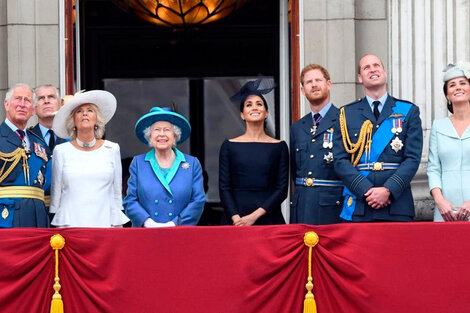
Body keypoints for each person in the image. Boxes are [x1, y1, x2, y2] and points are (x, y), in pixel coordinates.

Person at [333, 54, 423, 222]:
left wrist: (388, 189)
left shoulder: (408, 110)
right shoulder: (346, 114)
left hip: (397, 204)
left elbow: (412, 158)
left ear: (384, 72)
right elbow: (339, 160)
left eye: (376, 65)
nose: (372, 69)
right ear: (360, 78)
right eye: (366, 67)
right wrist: (365, 190)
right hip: (360, 204)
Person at [49, 90, 130, 227]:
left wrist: (118, 225)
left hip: (104, 222)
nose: (85, 113)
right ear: (73, 120)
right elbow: (56, 196)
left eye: (90, 110)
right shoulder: (61, 151)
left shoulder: (112, 149)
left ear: (97, 119)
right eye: (79, 111)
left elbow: (117, 194)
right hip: (71, 224)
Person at [219, 78, 288, 225]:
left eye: (259, 104)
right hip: (235, 220)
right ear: (242, 114)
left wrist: (254, 217)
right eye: (248, 105)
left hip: (269, 218)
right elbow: (224, 188)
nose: (254, 108)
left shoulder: (280, 146)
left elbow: (282, 189)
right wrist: (236, 218)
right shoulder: (229, 146)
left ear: (266, 113)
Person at [124, 107, 205, 227]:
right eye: (157, 130)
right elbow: (130, 201)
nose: (162, 134)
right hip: (146, 233)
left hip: (180, 233)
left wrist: (174, 223)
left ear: (175, 135)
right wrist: (148, 223)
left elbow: (198, 201)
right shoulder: (138, 163)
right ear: (150, 135)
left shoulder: (192, 164)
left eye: (167, 130)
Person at [290, 64, 343, 225]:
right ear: (302, 90)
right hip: (302, 207)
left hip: (332, 207)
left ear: (328, 84)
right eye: (308, 82)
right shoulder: (297, 127)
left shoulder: (344, 120)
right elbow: (295, 171)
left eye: (318, 80)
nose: (314, 84)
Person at [0, 83, 50, 227]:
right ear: (6, 104)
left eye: (27, 100)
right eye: (18, 99)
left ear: (33, 110)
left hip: (38, 218)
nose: (22, 104)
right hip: (7, 216)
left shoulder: (40, 143)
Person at [427, 62, 470, 222]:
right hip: (446, 209)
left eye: (463, 83)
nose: (458, 88)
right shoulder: (438, 126)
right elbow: (433, 168)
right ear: (447, 95)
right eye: (452, 85)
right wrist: (440, 201)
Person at [30, 84, 67, 210]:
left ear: (60, 105)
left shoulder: (72, 138)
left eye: (51, 97)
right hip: (38, 209)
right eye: (41, 98)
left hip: (66, 209)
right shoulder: (27, 139)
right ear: (34, 108)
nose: (46, 101)